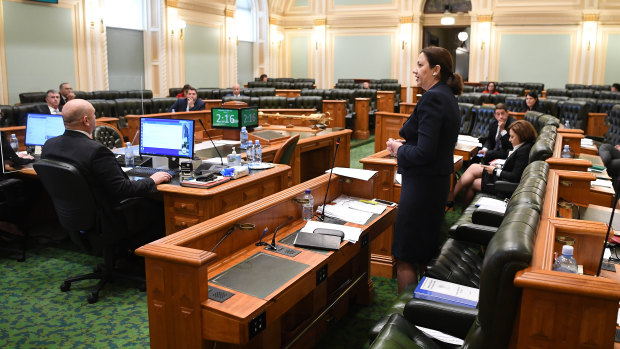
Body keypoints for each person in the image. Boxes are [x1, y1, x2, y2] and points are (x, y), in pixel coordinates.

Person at [385, 46, 463, 293]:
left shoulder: (434, 97)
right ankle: (418, 314)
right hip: (433, 185)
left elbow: (424, 152)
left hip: (422, 187)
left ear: (436, 70)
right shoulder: (446, 95)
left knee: (406, 254)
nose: (415, 70)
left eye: (420, 65)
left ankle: (404, 316)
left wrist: (399, 150)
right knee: (422, 254)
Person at [41, 99, 171, 244]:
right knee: (161, 209)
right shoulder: (96, 151)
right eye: (94, 115)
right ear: (86, 120)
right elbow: (123, 189)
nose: (95, 118)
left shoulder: (49, 145)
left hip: (74, 213)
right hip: (108, 215)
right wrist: (152, 179)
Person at [448, 120, 537, 208]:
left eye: (512, 137)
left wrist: (495, 171)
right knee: (473, 167)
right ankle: (451, 199)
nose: (509, 140)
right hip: (502, 177)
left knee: (473, 180)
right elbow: (513, 166)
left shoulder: (524, 151)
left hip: (504, 185)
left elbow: (515, 176)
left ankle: (450, 199)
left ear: (522, 136)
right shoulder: (523, 146)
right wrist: (498, 167)